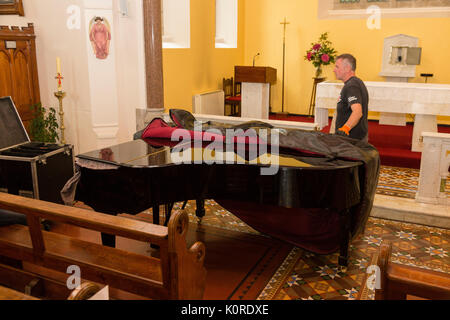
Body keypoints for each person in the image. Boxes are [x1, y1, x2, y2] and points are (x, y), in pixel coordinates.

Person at [333, 54, 369, 142]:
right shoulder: (356, 82)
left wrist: (345, 128)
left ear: (347, 68)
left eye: (337, 67)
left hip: (351, 140)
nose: (334, 70)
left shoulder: (351, 86)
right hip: (354, 138)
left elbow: (357, 112)